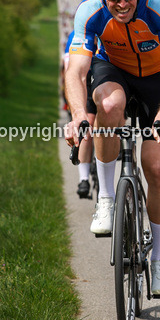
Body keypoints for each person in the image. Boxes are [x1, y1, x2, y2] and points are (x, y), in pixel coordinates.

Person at [64, 0, 160, 296]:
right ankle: (106, 198)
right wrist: (77, 116)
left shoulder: (159, 8)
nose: (123, 3)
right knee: (111, 103)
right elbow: (75, 70)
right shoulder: (89, 12)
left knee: (157, 168)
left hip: (156, 79)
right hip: (113, 70)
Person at [61, 28, 96, 198]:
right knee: (87, 126)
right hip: (85, 81)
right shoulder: (76, 36)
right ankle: (84, 178)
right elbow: (70, 73)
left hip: (109, 80)